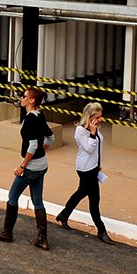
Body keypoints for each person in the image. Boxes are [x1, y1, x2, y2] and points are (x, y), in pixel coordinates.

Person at [0, 86, 55, 250]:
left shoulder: (29, 120)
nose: (21, 98)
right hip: (42, 166)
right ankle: (42, 239)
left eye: (24, 96)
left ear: (32, 100)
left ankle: (7, 232)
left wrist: (22, 166)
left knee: (13, 196)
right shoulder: (40, 116)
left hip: (31, 168)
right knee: (38, 202)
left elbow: (33, 146)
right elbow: (51, 137)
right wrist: (43, 151)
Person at [56, 102, 115, 245]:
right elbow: (89, 148)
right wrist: (93, 133)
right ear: (89, 117)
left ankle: (63, 215)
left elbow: (97, 148)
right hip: (85, 169)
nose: (100, 120)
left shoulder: (95, 128)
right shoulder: (80, 131)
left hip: (93, 167)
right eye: (97, 117)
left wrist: (98, 164)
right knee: (94, 200)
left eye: (101, 116)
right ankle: (101, 231)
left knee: (81, 192)